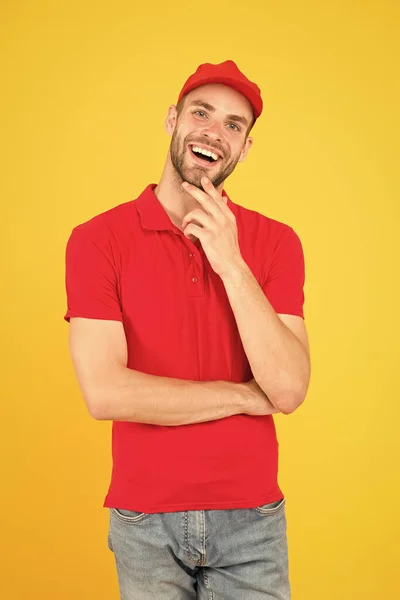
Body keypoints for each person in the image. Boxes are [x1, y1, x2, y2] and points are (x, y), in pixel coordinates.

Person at [64, 60, 311, 599]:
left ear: (244, 148)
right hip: (143, 520)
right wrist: (246, 396)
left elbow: (289, 387)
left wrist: (232, 264)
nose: (213, 132)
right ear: (173, 120)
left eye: (233, 124)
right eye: (201, 113)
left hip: (251, 518)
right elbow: (106, 393)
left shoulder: (275, 243)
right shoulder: (96, 240)